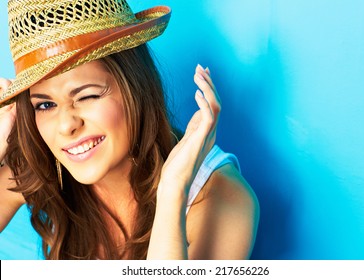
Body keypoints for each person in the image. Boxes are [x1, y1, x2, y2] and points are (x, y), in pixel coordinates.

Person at [0, 0, 259, 260]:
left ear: (136, 87)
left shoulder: (222, 198)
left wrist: (172, 191)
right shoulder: (42, 167)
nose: (66, 125)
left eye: (87, 96)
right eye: (45, 104)